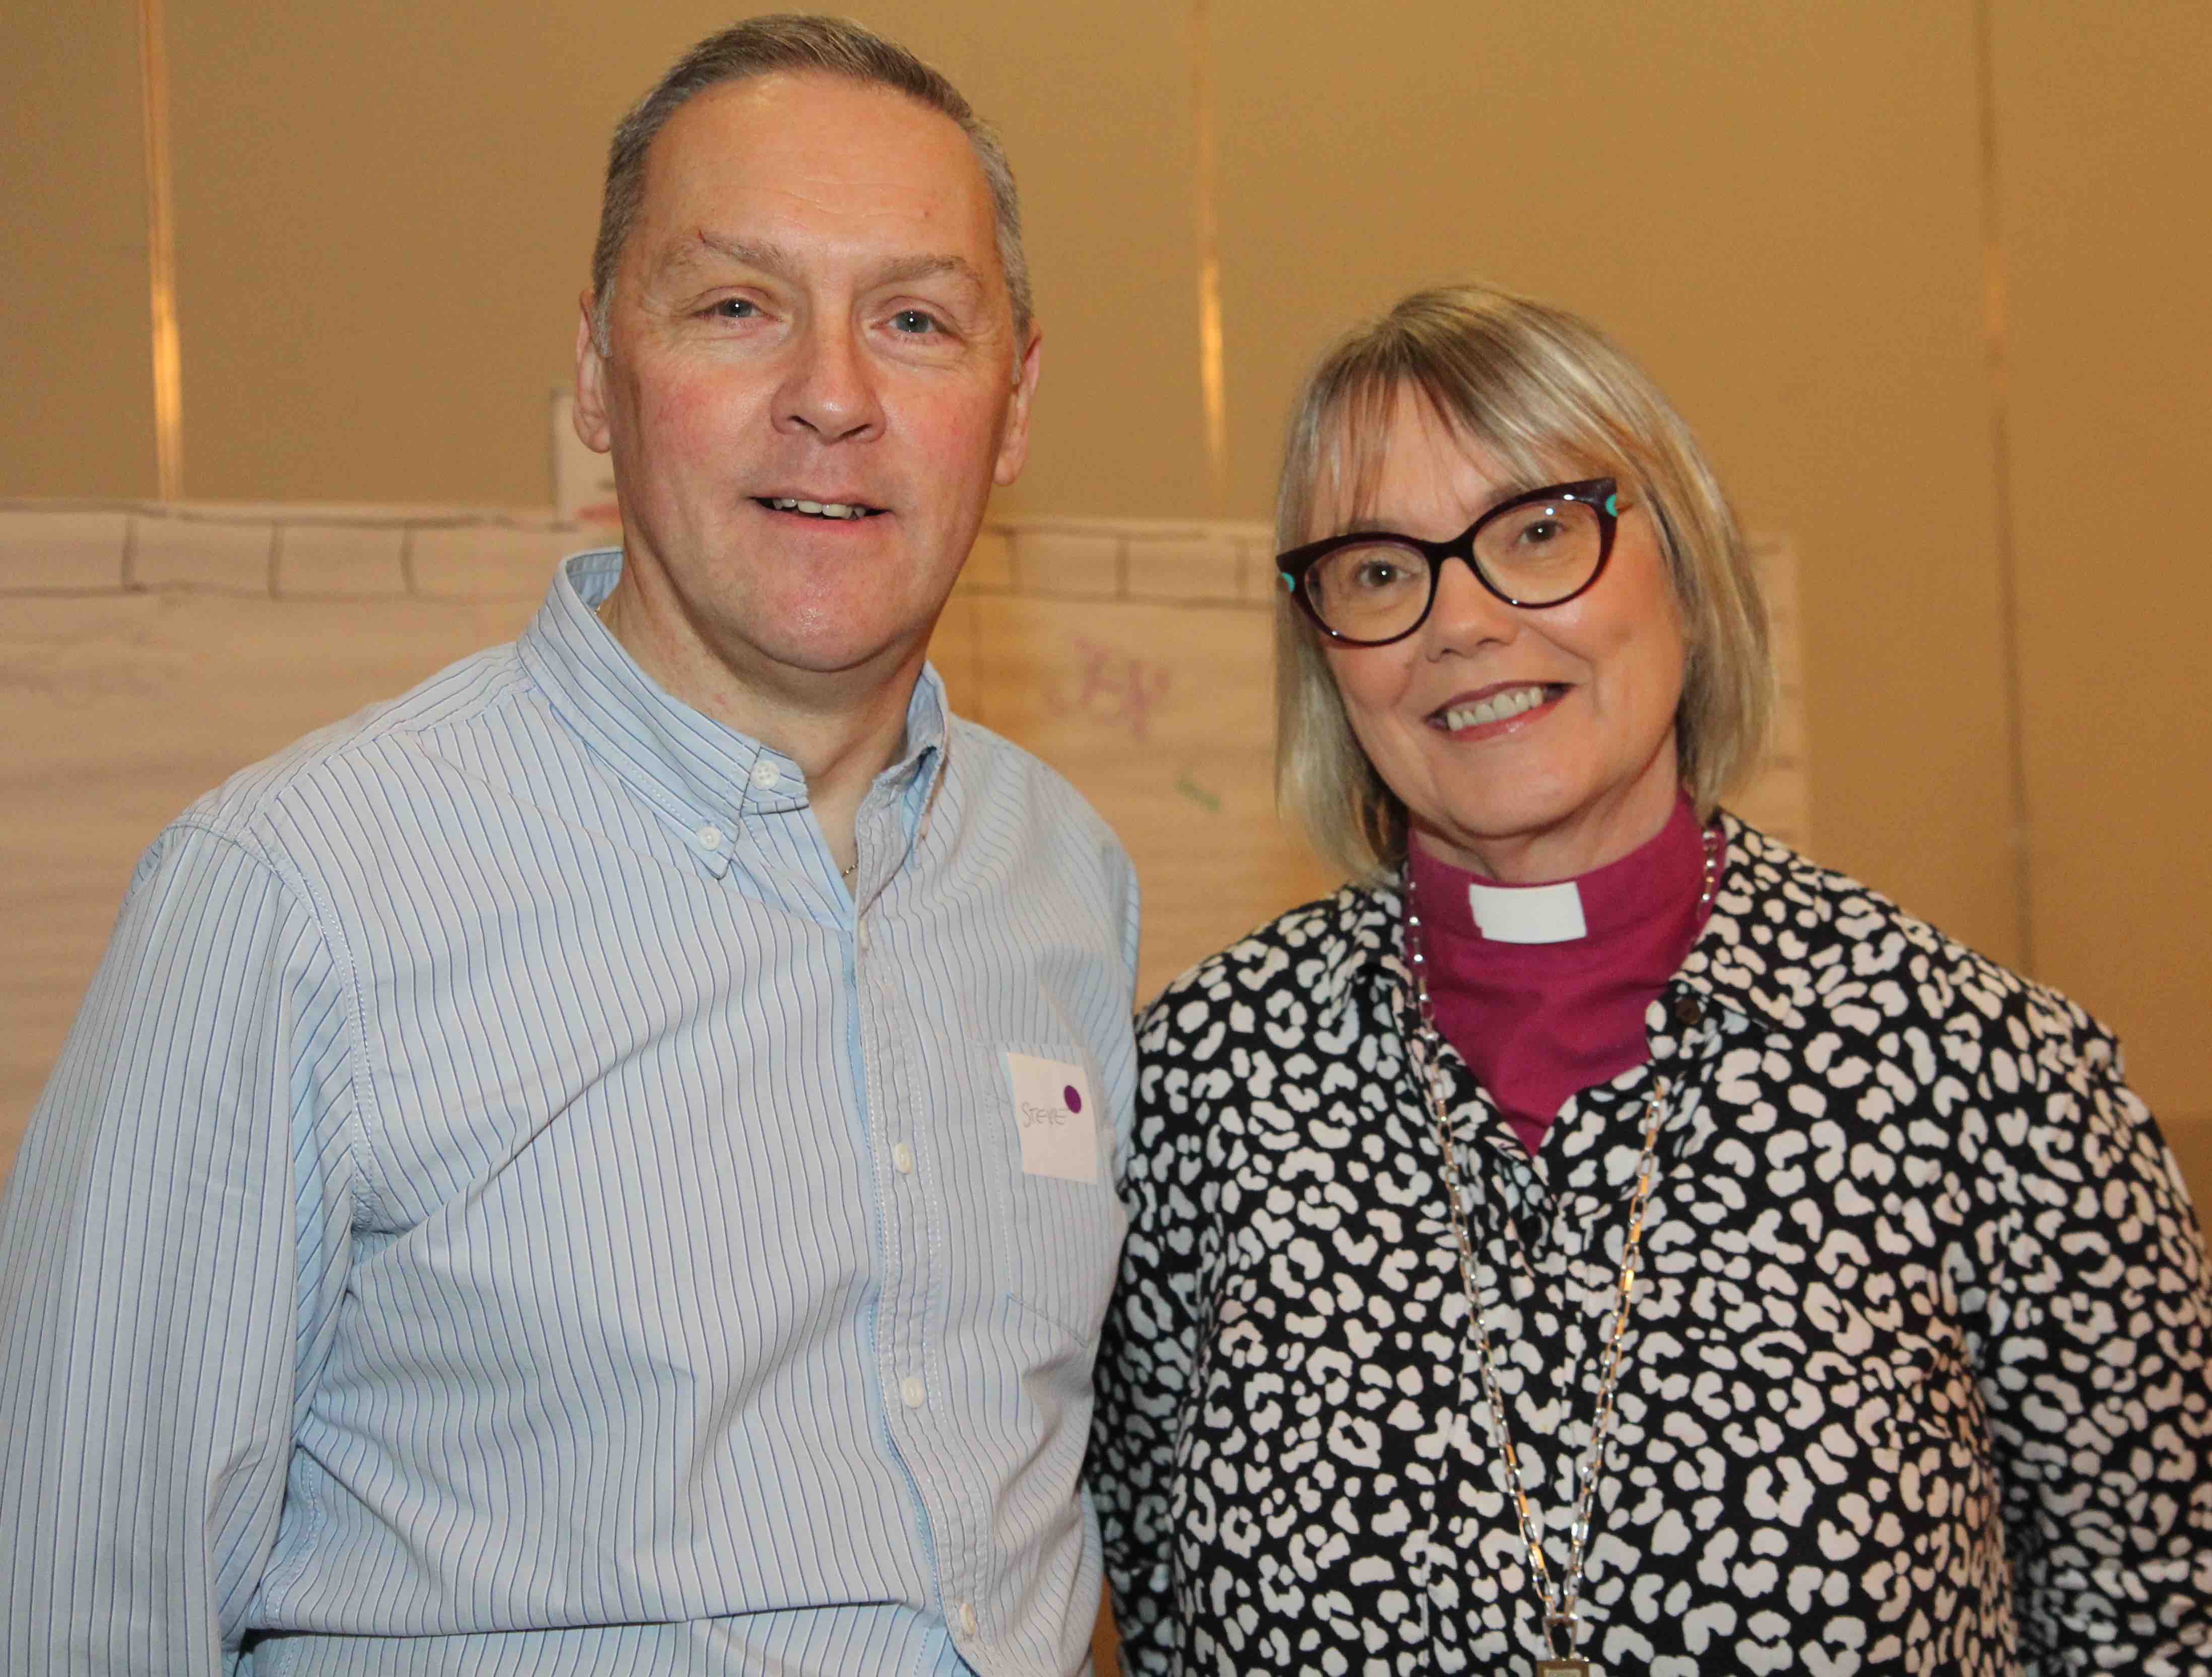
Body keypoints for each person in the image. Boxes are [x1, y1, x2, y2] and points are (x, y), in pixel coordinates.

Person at [0, 17, 1138, 1675]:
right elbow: (80, 1606)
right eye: (737, 306)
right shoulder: (289, 896)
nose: (833, 396)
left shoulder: (1063, 875)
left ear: (1013, 401)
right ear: (601, 373)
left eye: (914, 320)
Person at [1090, 283, 2212, 1674]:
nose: (1464, 623)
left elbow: (2153, 1618)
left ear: (1680, 572)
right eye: (1379, 570)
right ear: (1325, 655)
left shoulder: (1990, 1076)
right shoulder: (1201, 1086)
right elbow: (1143, 1591)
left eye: (1539, 533)